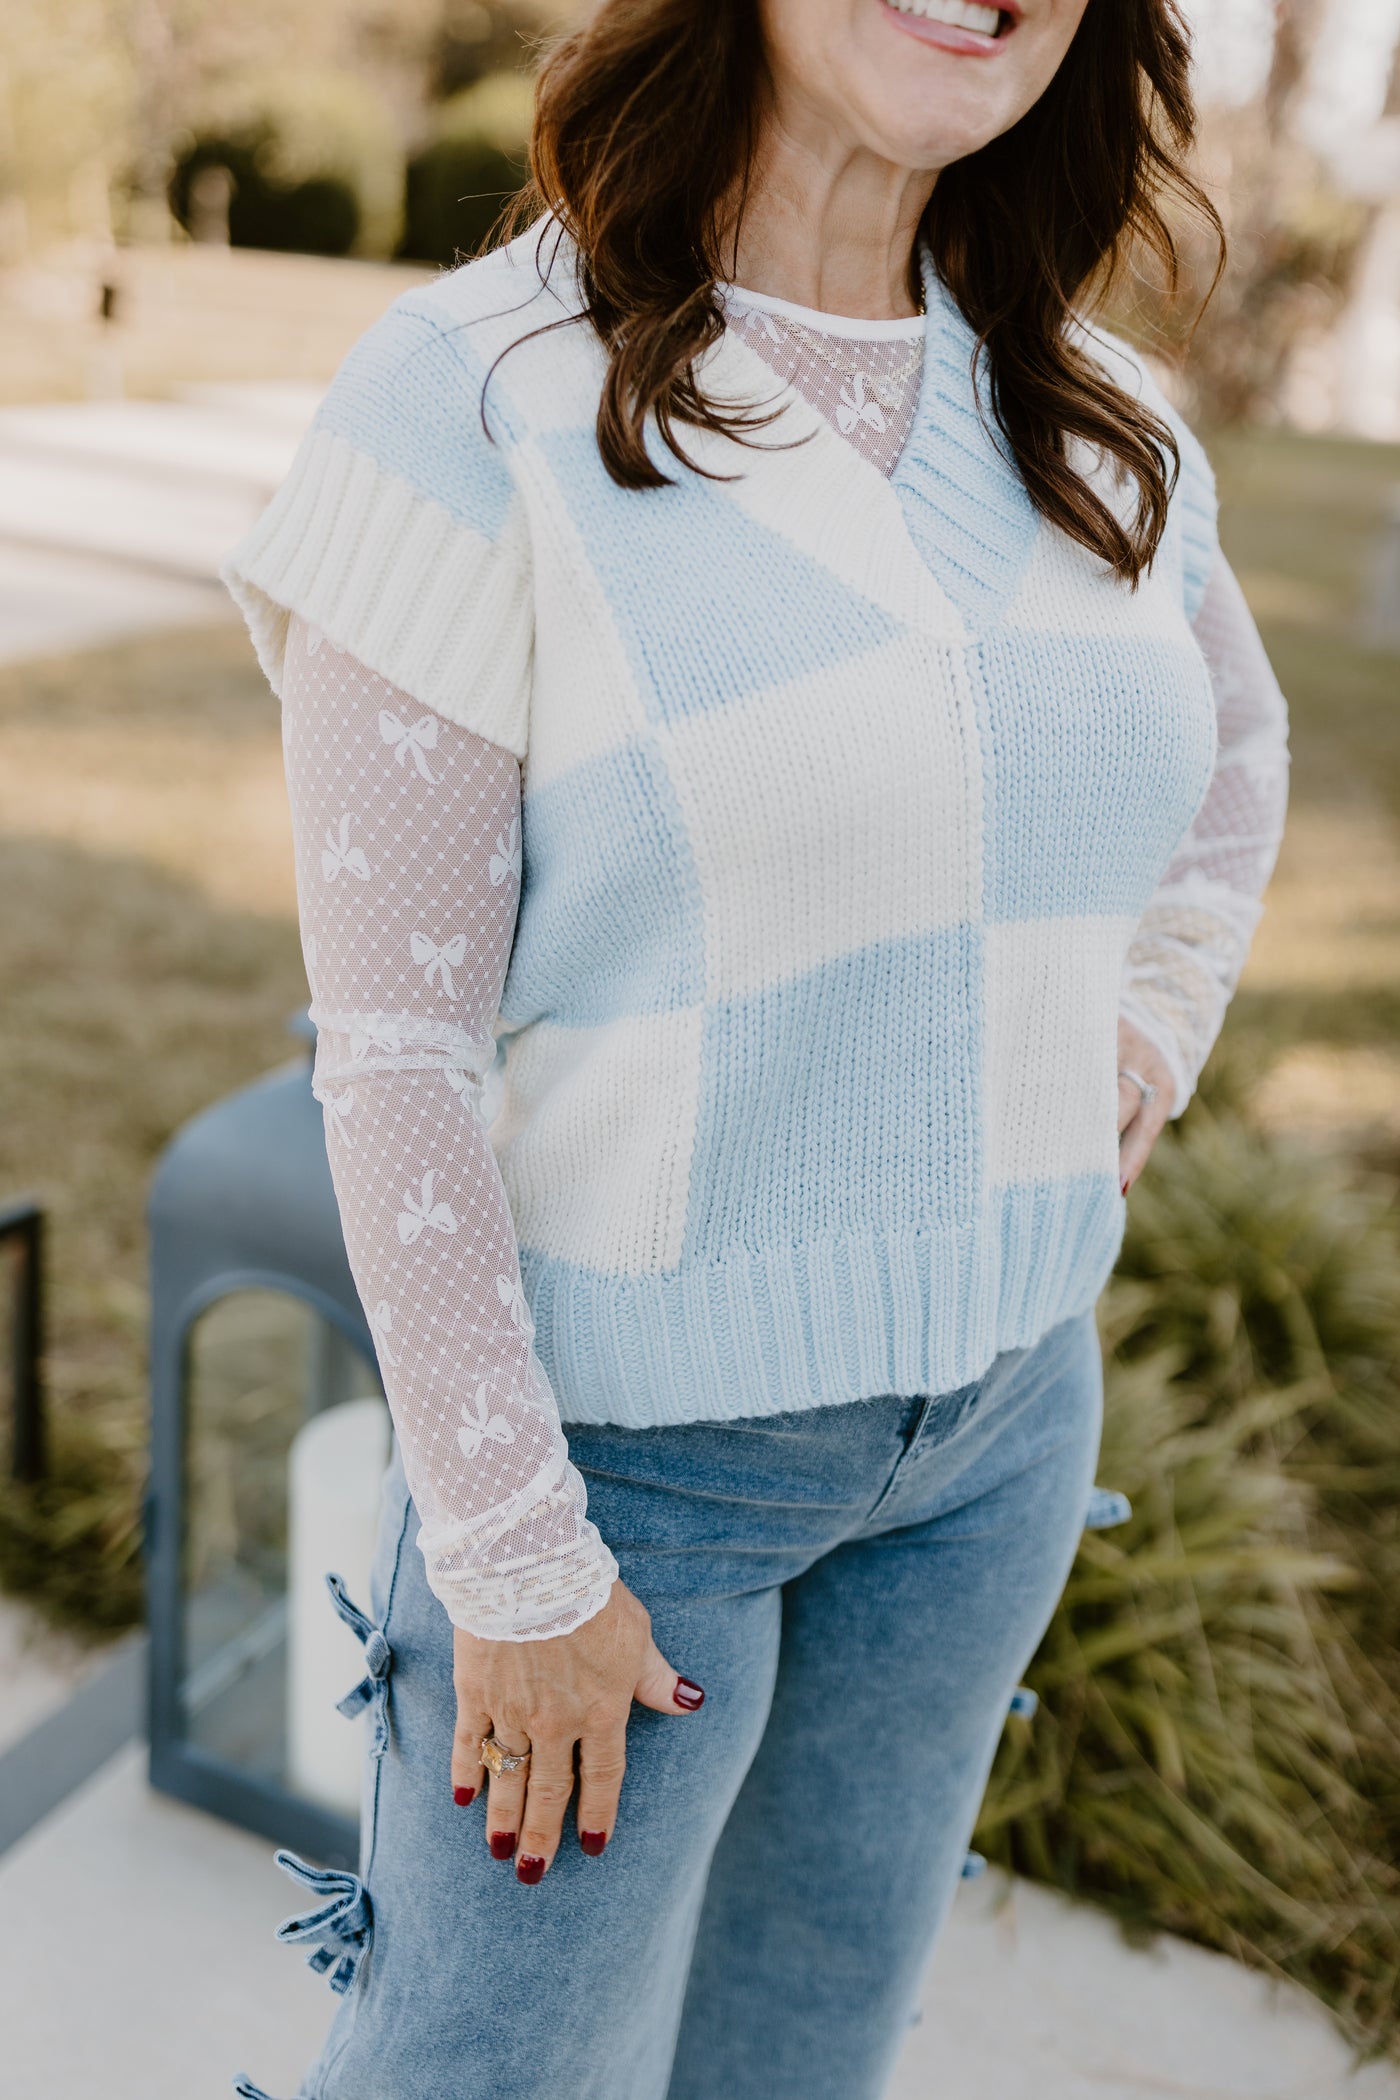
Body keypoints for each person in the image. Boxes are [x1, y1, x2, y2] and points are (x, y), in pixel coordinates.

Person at [223, 0, 1290, 2093]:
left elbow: (1234, 754)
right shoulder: (469, 401)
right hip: (628, 1487)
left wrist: (1151, 1024)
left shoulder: (1102, 418)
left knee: (801, 2056)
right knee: (473, 2076)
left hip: (996, 1443)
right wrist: (517, 1559)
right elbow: (400, 1057)